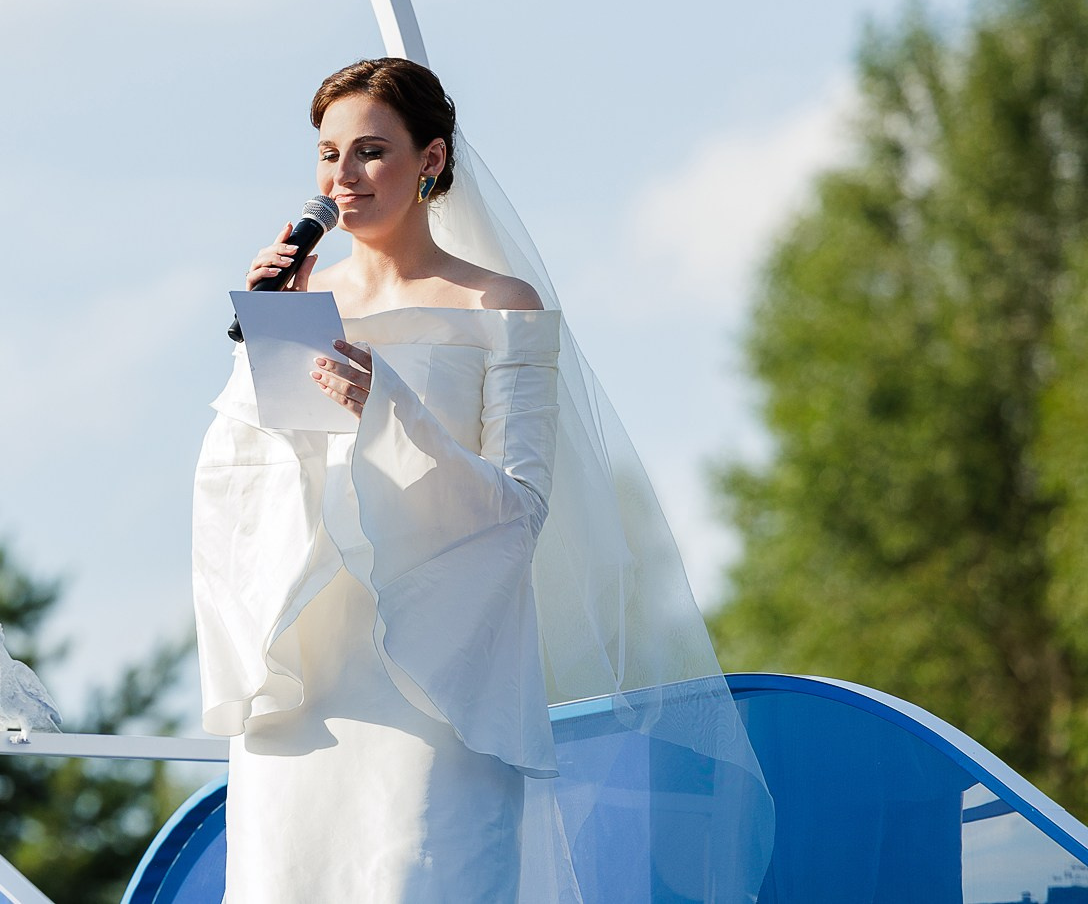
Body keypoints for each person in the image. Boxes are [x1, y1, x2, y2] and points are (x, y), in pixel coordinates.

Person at [193, 58, 770, 902]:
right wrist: (261, 338)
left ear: (430, 159)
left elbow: (519, 511)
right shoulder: (301, 301)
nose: (342, 178)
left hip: (442, 682)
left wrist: (384, 405)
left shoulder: (503, 305)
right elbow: (240, 492)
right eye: (327, 155)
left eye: (369, 152)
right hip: (308, 677)